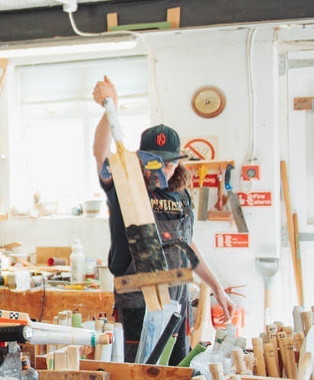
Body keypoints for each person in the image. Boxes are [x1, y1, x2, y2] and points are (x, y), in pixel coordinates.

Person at [91, 77, 235, 364]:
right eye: (155, 163)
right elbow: (101, 154)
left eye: (169, 164)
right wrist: (110, 112)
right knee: (138, 374)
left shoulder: (181, 196)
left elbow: (187, 245)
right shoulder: (126, 185)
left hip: (176, 298)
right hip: (136, 298)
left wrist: (217, 287)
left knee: (172, 373)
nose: (164, 171)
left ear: (178, 161)